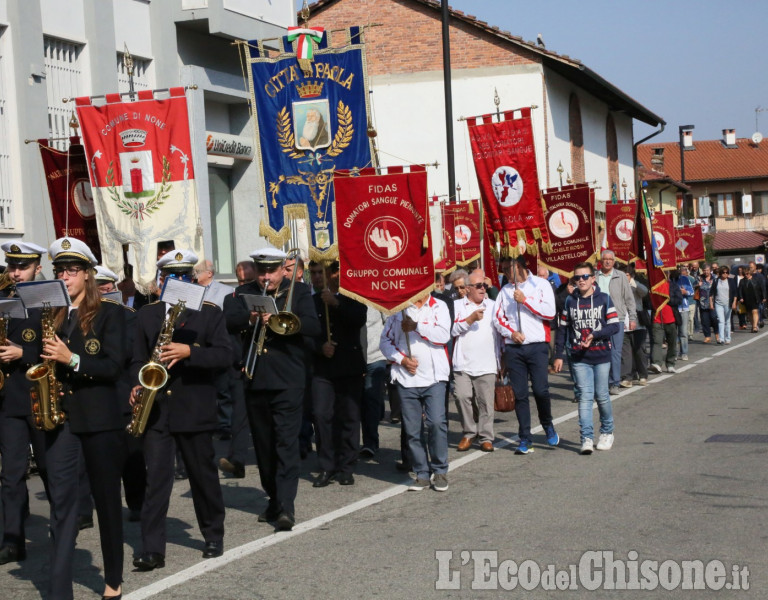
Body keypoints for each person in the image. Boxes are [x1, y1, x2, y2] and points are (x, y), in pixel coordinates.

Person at [131, 250, 231, 570]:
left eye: (183, 278)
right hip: (158, 408)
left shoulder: (209, 313)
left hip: (194, 407)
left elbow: (226, 355)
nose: (177, 283)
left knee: (203, 476)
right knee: (156, 480)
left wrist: (190, 351)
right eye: (170, 278)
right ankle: (152, 548)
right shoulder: (146, 315)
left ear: (191, 280)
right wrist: (135, 384)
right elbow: (135, 359)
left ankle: (213, 534)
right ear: (162, 282)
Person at [43, 237, 126, 600]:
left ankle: (112, 580)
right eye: (59, 270)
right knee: (62, 504)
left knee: (107, 501)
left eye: (71, 271)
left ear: (89, 275)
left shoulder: (113, 314)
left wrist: (71, 359)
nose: (64, 277)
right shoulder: (51, 314)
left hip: (100, 420)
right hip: (62, 421)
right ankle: (60, 590)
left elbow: (112, 366)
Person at [224, 247, 321, 531]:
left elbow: (314, 327)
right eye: (262, 270)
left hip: (288, 379)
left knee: (286, 444)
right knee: (264, 447)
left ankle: (286, 508)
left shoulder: (299, 292)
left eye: (272, 271)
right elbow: (227, 321)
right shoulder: (243, 294)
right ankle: (274, 498)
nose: (267, 276)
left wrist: (284, 320)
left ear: (283, 269)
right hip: (255, 379)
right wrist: (251, 319)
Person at [0, 241, 50, 565]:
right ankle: (13, 539)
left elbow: (58, 348)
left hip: (38, 397)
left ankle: (62, 526)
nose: (16, 272)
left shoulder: (49, 302)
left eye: (23, 266)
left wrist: (23, 354)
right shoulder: (3, 300)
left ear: (37, 268)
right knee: (11, 474)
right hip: (8, 401)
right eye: (12, 266)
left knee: (49, 468)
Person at [380, 292, 451, 491]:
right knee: (412, 430)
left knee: (437, 422)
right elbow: (385, 342)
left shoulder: (439, 306)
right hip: (407, 379)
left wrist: (417, 326)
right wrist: (402, 360)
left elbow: (444, 335)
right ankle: (421, 473)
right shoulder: (397, 310)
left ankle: (440, 470)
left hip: (435, 377)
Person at [492, 255, 559, 454]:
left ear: (518, 266)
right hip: (514, 348)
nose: (504, 273)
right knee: (520, 395)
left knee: (540, 390)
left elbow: (550, 313)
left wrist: (525, 300)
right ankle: (525, 438)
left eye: (507, 268)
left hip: (537, 346)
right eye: (502, 269)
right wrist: (511, 333)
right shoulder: (504, 291)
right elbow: (498, 318)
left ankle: (547, 424)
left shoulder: (541, 284)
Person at [95, 266, 145, 523]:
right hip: (94, 395)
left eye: (107, 288)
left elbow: (127, 351)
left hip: (122, 391)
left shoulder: (127, 315)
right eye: (99, 289)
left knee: (131, 455)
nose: (104, 292)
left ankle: (137, 503)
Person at [310, 262, 366, 486]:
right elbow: (304, 333)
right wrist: (319, 347)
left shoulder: (352, 296)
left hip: (349, 365)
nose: (316, 277)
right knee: (322, 416)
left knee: (349, 417)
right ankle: (326, 465)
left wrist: (335, 304)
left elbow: (358, 319)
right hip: (322, 368)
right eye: (313, 273)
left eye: (321, 272)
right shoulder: (310, 301)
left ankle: (346, 465)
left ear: (334, 274)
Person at [554, 262, 618, 454]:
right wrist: (558, 355)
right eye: (577, 277)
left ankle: (607, 431)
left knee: (602, 396)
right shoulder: (569, 301)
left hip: (601, 355)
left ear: (593, 279)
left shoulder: (604, 299)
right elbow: (563, 329)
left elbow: (614, 325)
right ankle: (587, 437)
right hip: (578, 356)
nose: (580, 280)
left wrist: (595, 334)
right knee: (584, 397)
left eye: (584, 277)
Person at [452, 269, 499, 453]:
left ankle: (486, 437)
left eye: (484, 285)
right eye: (478, 286)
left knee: (486, 403)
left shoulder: (493, 305)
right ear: (468, 288)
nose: (483, 288)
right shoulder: (457, 306)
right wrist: (470, 319)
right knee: (462, 397)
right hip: (462, 362)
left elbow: (501, 333)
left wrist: (503, 358)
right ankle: (469, 432)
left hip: (486, 362)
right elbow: (452, 330)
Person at [595, 249, 636, 395]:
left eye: (610, 259)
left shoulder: (621, 277)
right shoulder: (595, 277)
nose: (607, 261)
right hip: (599, 319)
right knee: (599, 351)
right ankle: (601, 383)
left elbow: (629, 299)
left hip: (617, 318)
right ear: (601, 261)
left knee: (615, 352)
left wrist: (632, 318)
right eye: (605, 259)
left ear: (614, 261)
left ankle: (614, 382)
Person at [360, 305, 387, 458]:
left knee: (371, 400)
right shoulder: (347, 295)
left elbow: (388, 321)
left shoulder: (376, 298)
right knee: (354, 403)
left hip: (375, 357)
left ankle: (370, 442)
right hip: (354, 356)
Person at [649, 274, 681, 374]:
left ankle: (670, 364)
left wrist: (666, 298)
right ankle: (657, 364)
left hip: (671, 320)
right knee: (657, 342)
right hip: (657, 319)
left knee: (672, 343)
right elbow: (648, 302)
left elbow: (678, 299)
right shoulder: (653, 286)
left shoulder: (673, 286)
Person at [625, 263, 650, 386]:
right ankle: (629, 375)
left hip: (638, 321)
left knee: (639, 349)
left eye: (627, 275)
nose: (625, 277)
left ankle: (643, 374)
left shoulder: (636, 285)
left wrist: (632, 282)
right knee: (627, 351)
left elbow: (645, 292)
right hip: (624, 321)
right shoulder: (618, 285)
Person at [711, 266, 737, 345]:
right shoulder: (716, 281)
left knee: (727, 321)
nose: (725, 274)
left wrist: (734, 302)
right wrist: (711, 303)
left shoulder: (731, 281)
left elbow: (735, 293)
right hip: (718, 303)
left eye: (727, 273)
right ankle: (721, 339)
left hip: (728, 303)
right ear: (720, 273)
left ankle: (728, 338)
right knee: (721, 321)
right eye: (723, 272)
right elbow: (711, 293)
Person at [738, 267, 763, 333]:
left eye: (747, 274)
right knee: (749, 313)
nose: (746, 275)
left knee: (755, 311)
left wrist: (763, 297)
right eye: (745, 274)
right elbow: (740, 290)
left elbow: (761, 289)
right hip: (746, 298)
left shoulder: (756, 280)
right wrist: (741, 297)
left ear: (750, 273)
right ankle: (753, 325)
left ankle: (755, 326)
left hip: (755, 298)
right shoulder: (742, 281)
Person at [676, 267, 694, 360]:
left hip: (683, 308)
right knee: (674, 333)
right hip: (674, 308)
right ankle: (674, 353)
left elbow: (692, 292)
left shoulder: (685, 279)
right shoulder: (671, 279)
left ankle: (684, 352)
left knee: (683, 332)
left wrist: (685, 292)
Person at [698, 264, 717, 343]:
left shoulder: (715, 278)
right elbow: (692, 287)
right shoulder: (700, 278)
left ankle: (717, 333)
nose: (706, 272)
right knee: (704, 321)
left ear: (710, 270)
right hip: (703, 303)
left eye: (707, 270)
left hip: (713, 302)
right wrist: (697, 285)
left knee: (714, 318)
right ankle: (707, 336)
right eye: (704, 270)